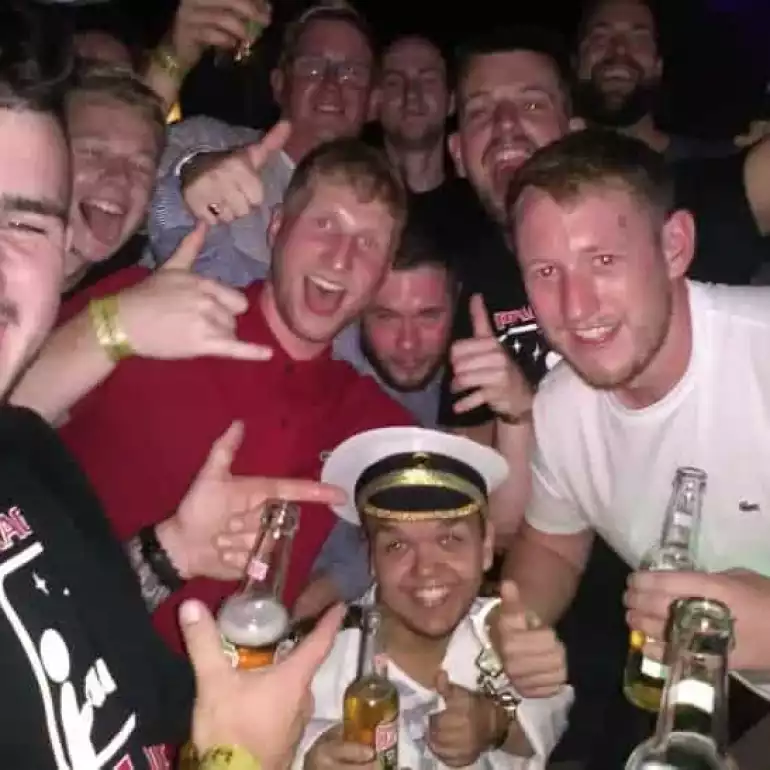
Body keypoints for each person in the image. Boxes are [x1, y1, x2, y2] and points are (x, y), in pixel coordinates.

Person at [0, 1, 344, 767]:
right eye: (91, 156)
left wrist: (168, 553)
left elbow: (56, 621)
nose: (118, 180)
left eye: (23, 222)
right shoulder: (102, 306)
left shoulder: (26, 447)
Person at [58, 138, 416, 653]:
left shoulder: (369, 420)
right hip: (52, 664)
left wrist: (516, 415)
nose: (341, 259)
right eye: (326, 225)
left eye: (368, 244)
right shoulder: (150, 308)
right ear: (276, 230)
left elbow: (479, 517)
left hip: (215, 719)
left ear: (381, 276)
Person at [503, 127, 770, 693]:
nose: (576, 308)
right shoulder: (560, 407)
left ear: (674, 246)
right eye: (546, 273)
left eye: (602, 259)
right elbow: (553, 544)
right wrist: (514, 624)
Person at [295, 426, 573, 769]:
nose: (426, 569)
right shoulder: (313, 659)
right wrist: (309, 760)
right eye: (397, 546)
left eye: (450, 540)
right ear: (371, 559)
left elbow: (550, 715)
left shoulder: (507, 637)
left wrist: (494, 724)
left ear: (485, 548)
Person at [148, 2, 379, 286]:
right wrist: (191, 168)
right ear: (280, 84)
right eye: (313, 67)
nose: (332, 84)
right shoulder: (208, 140)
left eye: (352, 73)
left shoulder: (375, 215)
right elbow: (124, 168)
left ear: (373, 102)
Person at [332, 222, 457, 427]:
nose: (408, 343)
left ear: (456, 302)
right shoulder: (324, 369)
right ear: (357, 309)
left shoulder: (486, 370)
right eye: (386, 317)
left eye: (428, 316)